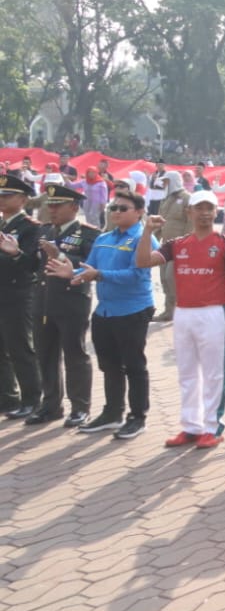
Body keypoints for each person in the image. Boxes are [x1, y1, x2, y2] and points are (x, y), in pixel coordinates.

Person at [137, 190, 225, 449]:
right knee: (187, 373)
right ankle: (191, 426)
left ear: (216, 211)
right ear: (190, 212)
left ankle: (212, 426)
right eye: (199, 208)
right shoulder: (177, 244)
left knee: (214, 373)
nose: (205, 213)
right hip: (183, 313)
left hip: (213, 313)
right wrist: (147, 232)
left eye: (209, 208)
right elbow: (142, 261)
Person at [50, 189, 157, 439]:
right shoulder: (104, 238)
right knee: (109, 365)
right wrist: (73, 274)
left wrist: (98, 275)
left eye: (123, 208)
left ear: (139, 212)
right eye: (113, 208)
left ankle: (137, 417)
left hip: (133, 310)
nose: (116, 212)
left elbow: (137, 275)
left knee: (134, 365)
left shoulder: (144, 239)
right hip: (105, 311)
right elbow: (89, 269)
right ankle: (112, 413)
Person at [31, 185, 99, 427]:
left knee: (75, 354)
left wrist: (60, 255)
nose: (52, 210)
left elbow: (91, 263)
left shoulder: (87, 233)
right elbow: (32, 264)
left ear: (74, 207)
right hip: (44, 300)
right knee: (45, 355)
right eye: (50, 205)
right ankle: (50, 405)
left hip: (72, 301)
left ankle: (80, 407)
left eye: (57, 205)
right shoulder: (45, 230)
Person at [0, 172, 43, 420]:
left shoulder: (31, 228)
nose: (2, 200)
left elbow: (32, 265)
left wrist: (15, 254)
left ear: (24, 199)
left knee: (20, 348)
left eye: (8, 196)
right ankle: (7, 397)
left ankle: (31, 399)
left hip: (18, 294)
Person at [151, 173, 191, 322]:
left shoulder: (187, 198)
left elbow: (190, 223)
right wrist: (152, 240)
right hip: (165, 247)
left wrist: (188, 243)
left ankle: (181, 308)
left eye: (167, 181)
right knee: (164, 278)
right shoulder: (166, 200)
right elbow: (161, 222)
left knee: (171, 277)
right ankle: (169, 310)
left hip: (181, 248)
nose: (164, 184)